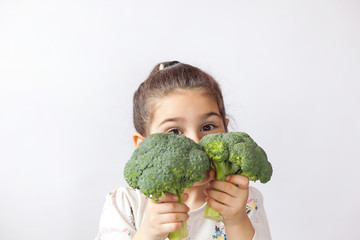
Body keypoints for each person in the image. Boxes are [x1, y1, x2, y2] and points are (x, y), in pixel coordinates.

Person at [94, 61, 271, 240]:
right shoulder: (126, 205)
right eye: (175, 132)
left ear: (225, 130)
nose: (195, 142)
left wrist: (237, 222)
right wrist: (148, 234)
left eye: (208, 126)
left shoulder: (245, 201)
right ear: (142, 145)